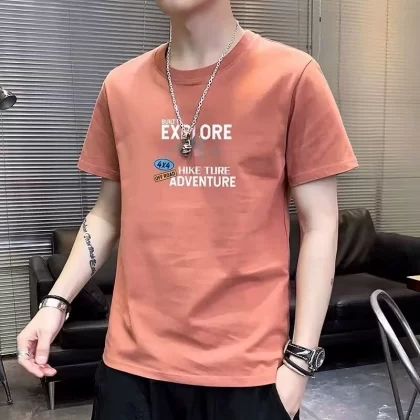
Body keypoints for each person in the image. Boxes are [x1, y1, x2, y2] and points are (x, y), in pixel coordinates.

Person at [17, 0, 358, 419]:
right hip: (131, 371)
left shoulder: (293, 76)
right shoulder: (121, 86)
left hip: (248, 374)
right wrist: (56, 303)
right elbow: (107, 215)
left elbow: (320, 224)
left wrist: (300, 364)